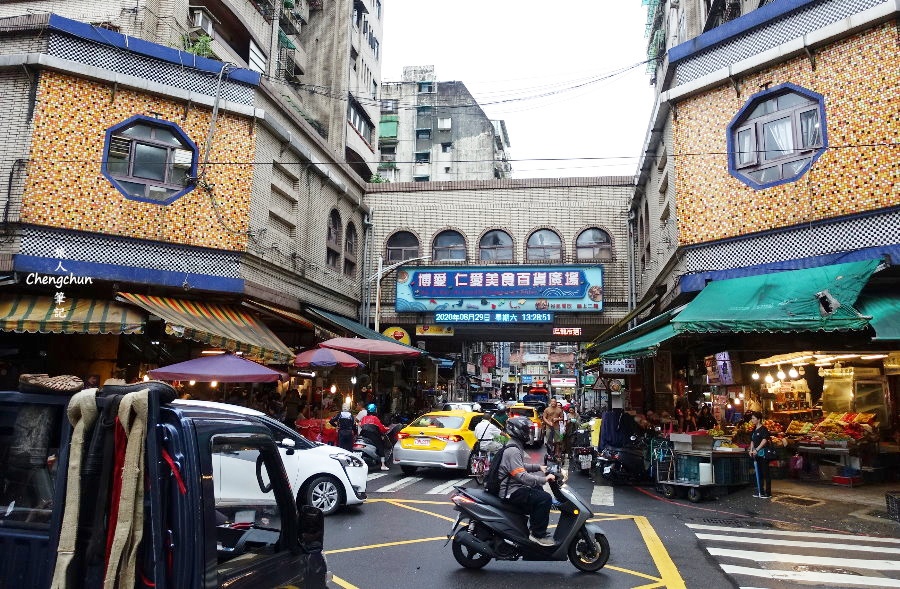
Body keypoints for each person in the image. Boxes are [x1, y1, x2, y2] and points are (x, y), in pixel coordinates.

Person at [497, 416, 556, 547]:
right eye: (526, 430)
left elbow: (519, 466)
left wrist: (538, 467)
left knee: (539, 492)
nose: (528, 433)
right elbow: (521, 476)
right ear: (518, 431)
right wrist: (543, 479)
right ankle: (537, 534)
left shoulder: (514, 445)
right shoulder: (513, 450)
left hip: (514, 487)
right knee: (544, 498)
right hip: (511, 491)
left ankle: (534, 528)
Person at [748, 411, 772, 499]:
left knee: (766, 473)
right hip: (756, 454)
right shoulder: (754, 430)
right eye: (752, 418)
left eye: (753, 418)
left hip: (763, 454)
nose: (752, 420)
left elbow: (764, 440)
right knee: (759, 473)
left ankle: (768, 493)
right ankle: (760, 491)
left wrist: (757, 449)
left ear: (758, 419)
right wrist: (751, 450)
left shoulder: (764, 429)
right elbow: (752, 441)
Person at [360, 403, 390, 471]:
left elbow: (361, 425)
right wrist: (386, 429)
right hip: (372, 435)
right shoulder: (375, 418)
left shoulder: (364, 418)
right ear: (375, 411)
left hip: (363, 435)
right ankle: (383, 465)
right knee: (381, 446)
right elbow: (382, 428)